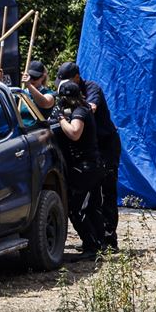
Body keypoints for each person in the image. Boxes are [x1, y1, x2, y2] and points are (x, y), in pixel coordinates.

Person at [56, 61, 121, 250]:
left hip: (106, 144)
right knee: (92, 198)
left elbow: (90, 108)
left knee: (106, 192)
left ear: (77, 77)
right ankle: (96, 239)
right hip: (92, 146)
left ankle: (109, 240)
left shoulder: (92, 88)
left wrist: (72, 109)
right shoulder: (70, 91)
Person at [56, 80, 105, 260]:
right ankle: (95, 244)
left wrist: (60, 119)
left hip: (86, 168)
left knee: (76, 209)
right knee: (91, 207)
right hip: (92, 165)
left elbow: (74, 133)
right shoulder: (83, 108)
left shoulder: (80, 111)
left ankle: (91, 247)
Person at [1, 60, 55, 126]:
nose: (31, 79)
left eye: (35, 77)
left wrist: (29, 85)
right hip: (19, 131)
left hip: (37, 132)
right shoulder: (20, 94)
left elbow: (45, 103)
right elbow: (5, 101)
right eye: (30, 76)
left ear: (43, 77)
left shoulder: (48, 93)